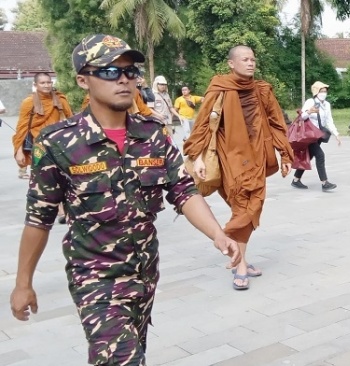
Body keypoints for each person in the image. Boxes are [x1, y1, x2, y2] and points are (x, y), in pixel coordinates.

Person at [9, 34, 241, 366]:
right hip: (95, 278)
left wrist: (217, 234)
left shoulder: (151, 133)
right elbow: (39, 218)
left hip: (145, 273)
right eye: (108, 71)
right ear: (82, 80)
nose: (123, 79)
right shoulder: (58, 142)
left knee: (130, 353)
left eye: (129, 71)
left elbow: (183, 191)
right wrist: (23, 284)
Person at [183, 45, 293, 290]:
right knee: (243, 209)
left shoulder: (262, 90)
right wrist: (197, 156)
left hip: (257, 158)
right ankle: (240, 265)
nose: (251, 63)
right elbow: (202, 125)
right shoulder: (220, 88)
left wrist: (285, 154)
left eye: (253, 59)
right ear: (232, 63)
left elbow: (277, 123)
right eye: (245, 59)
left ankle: (235, 251)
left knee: (251, 210)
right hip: (230, 158)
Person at [12, 73, 73, 179]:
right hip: (39, 147)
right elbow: (21, 128)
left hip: (60, 145)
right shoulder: (28, 102)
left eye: (49, 82)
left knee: (63, 179)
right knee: (42, 179)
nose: (46, 85)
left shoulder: (61, 100)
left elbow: (71, 121)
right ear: (35, 85)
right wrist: (19, 151)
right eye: (42, 83)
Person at [290, 81, 340, 192]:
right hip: (309, 135)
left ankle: (296, 179)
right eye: (321, 91)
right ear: (316, 92)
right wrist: (309, 111)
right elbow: (301, 117)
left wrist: (336, 134)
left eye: (325, 91)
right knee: (320, 155)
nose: (324, 93)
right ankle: (324, 183)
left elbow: (329, 121)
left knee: (310, 155)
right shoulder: (310, 102)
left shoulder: (326, 105)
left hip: (318, 135)